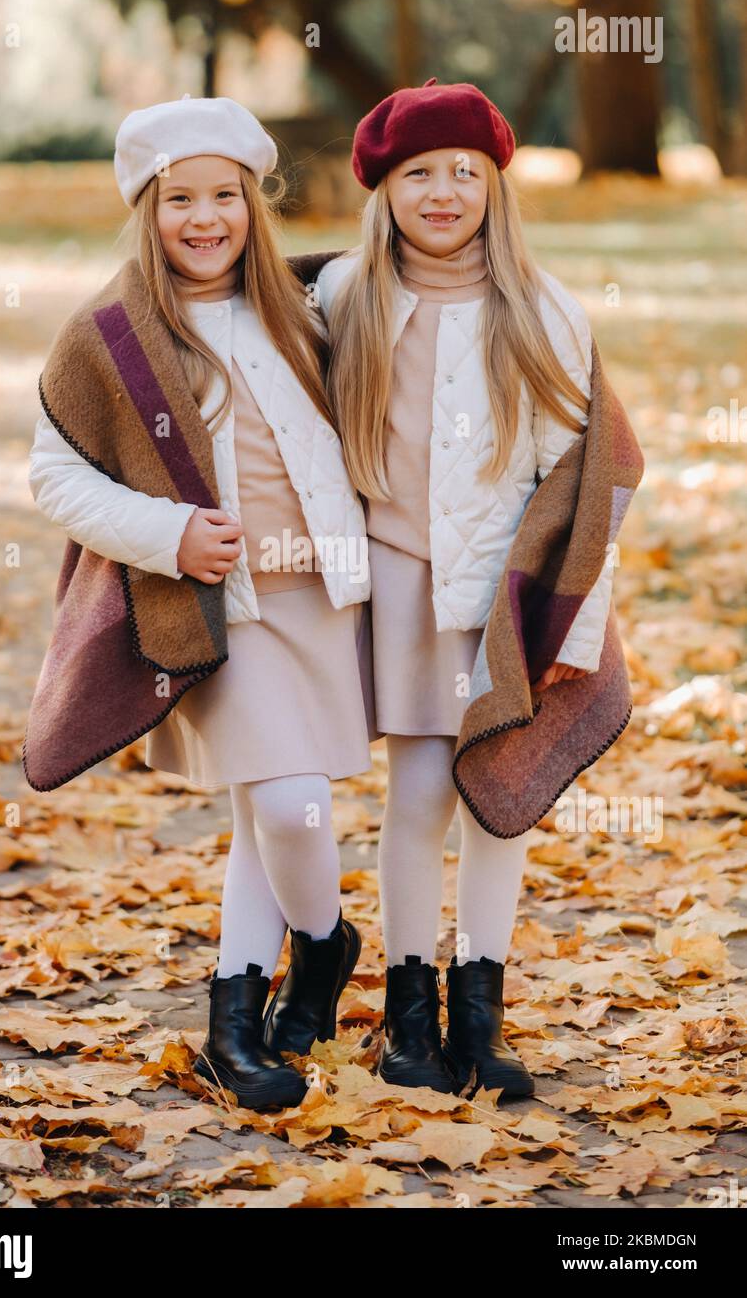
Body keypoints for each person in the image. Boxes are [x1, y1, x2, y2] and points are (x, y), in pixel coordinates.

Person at [26, 96, 376, 1113]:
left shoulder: (302, 305)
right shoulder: (108, 337)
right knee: (285, 801)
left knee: (264, 809)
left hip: (321, 592)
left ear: (252, 204)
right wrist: (167, 534)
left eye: (226, 194)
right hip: (223, 602)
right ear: (148, 208)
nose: (205, 217)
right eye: (180, 198)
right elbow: (57, 479)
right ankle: (316, 952)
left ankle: (242, 1016)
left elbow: (419, 299)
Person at [313, 79, 615, 1098]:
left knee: (499, 801)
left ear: (494, 185)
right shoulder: (343, 300)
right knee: (415, 797)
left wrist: (567, 623)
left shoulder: (538, 309)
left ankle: (479, 1011)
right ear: (383, 187)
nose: (441, 193)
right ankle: (408, 1011)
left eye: (462, 174)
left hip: (500, 597)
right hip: (395, 588)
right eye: (417, 175)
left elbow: (581, 480)